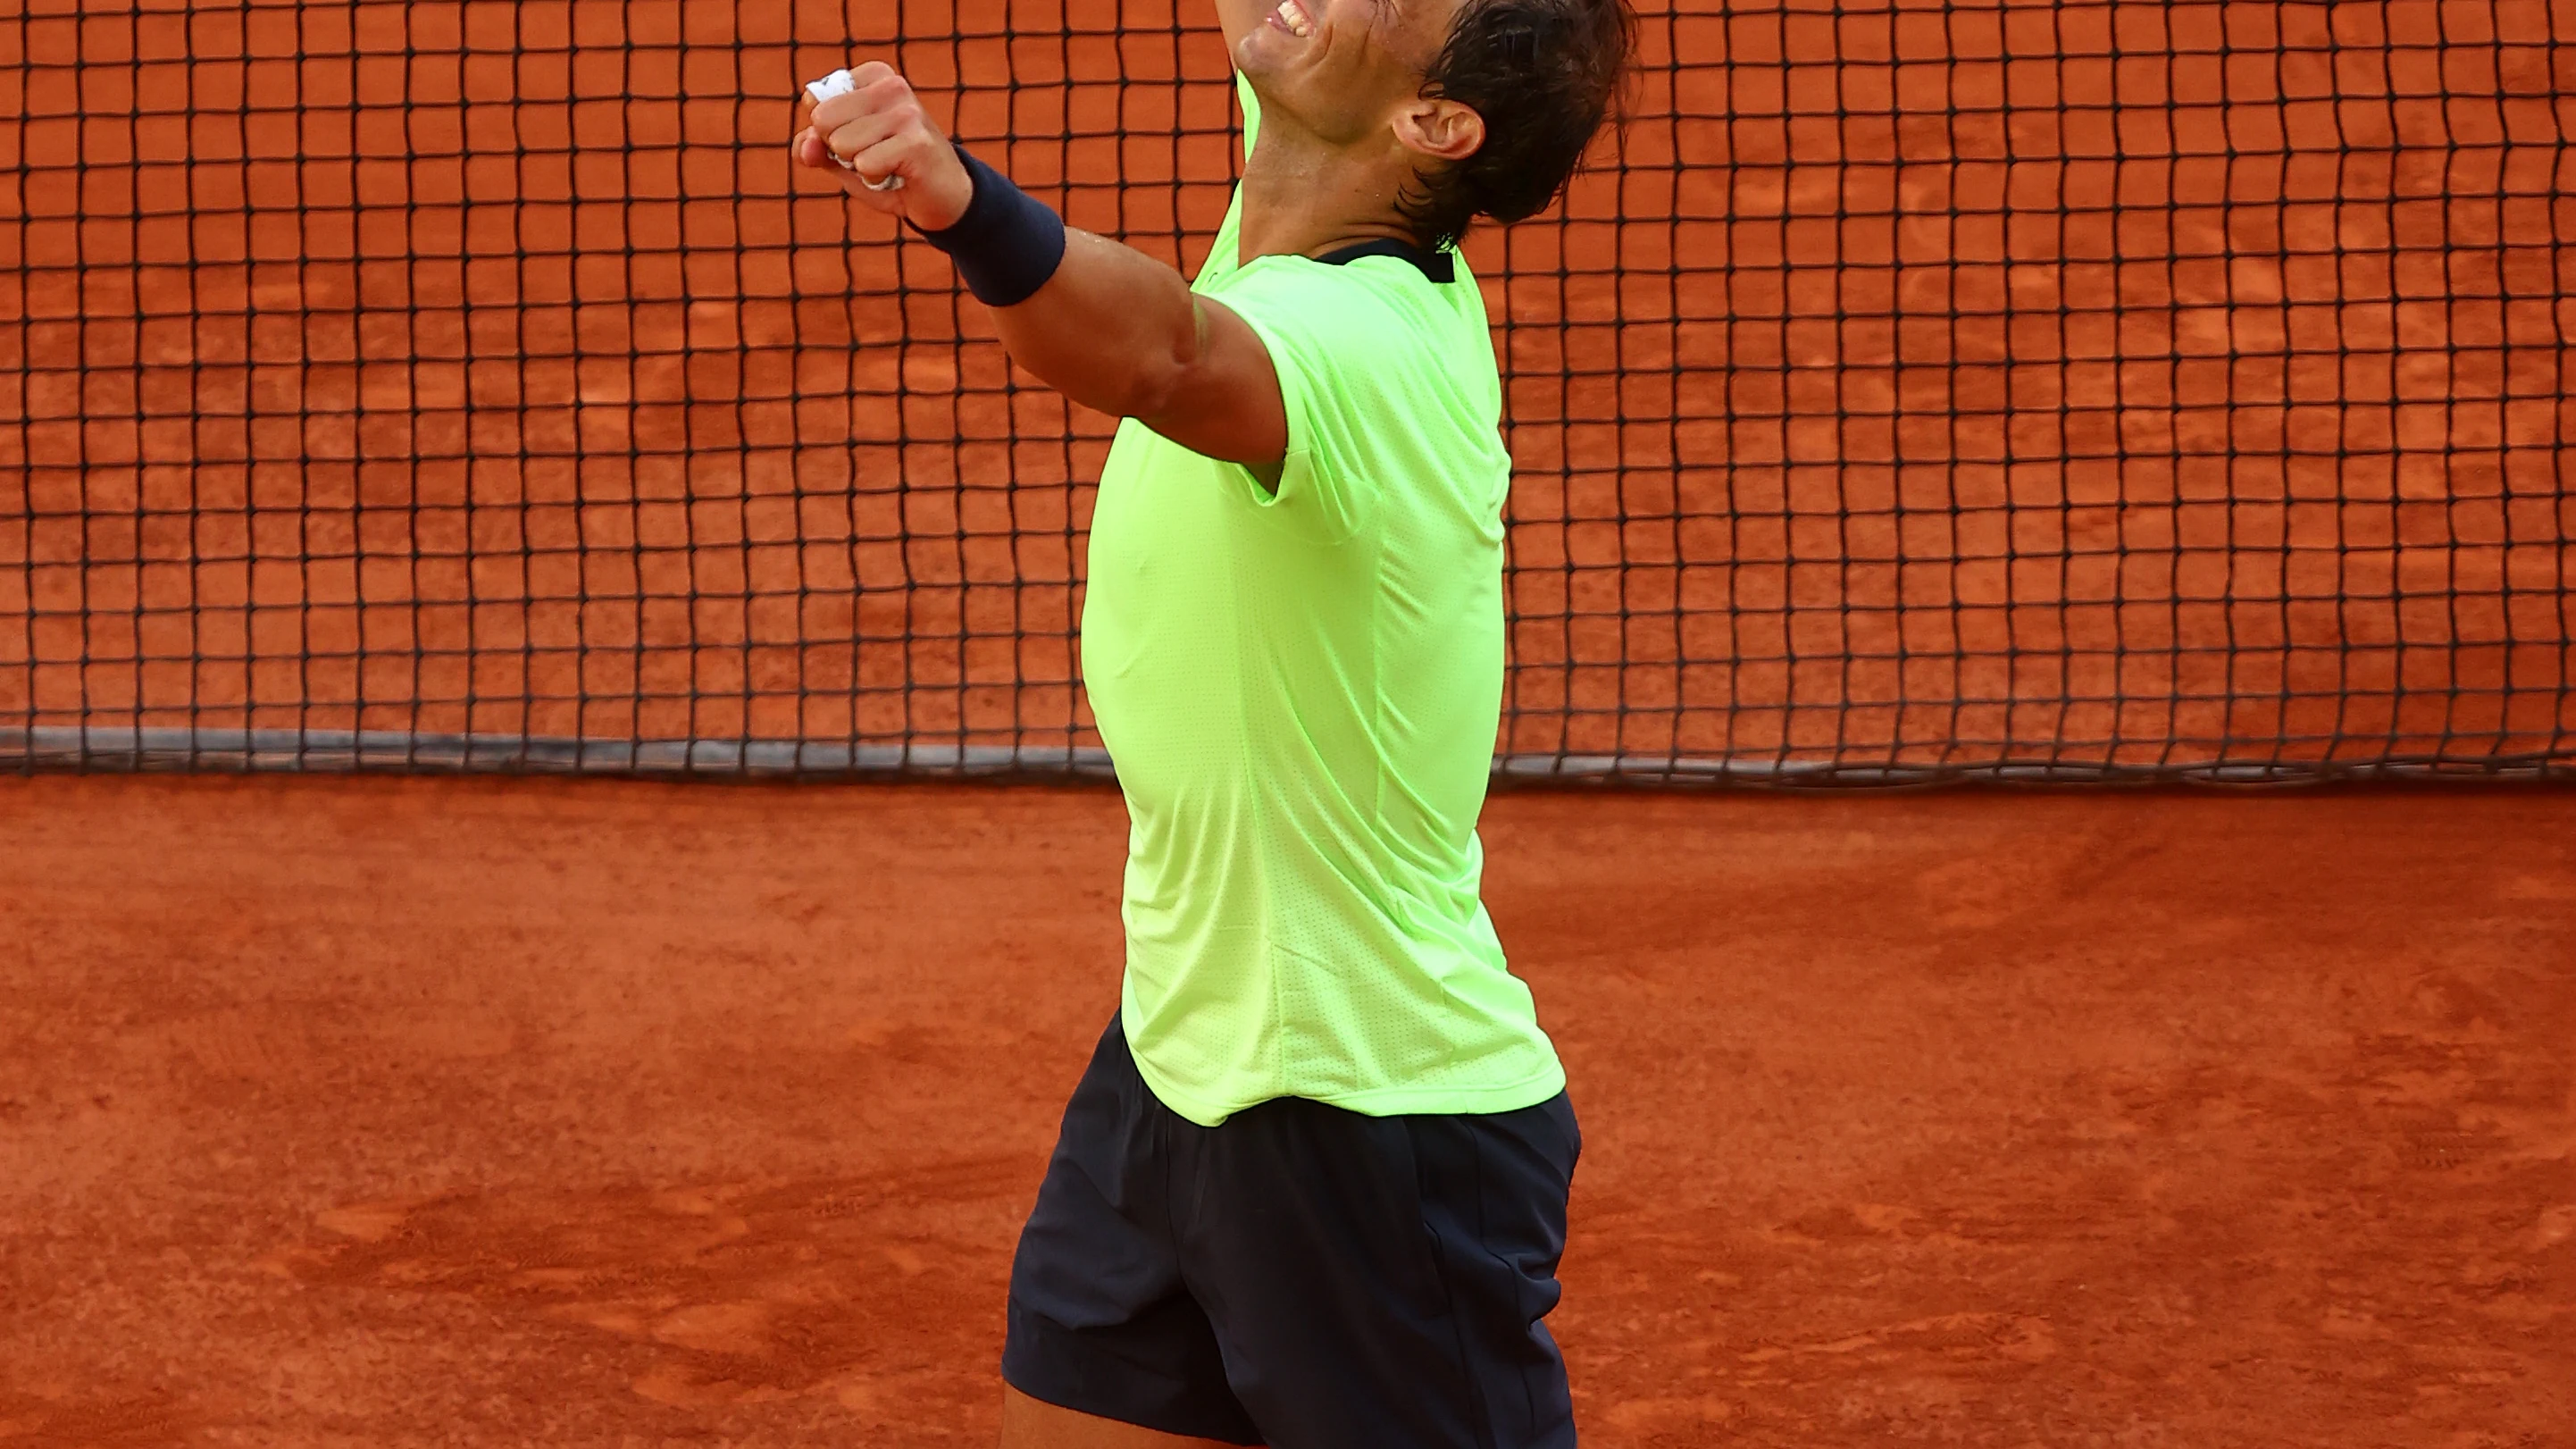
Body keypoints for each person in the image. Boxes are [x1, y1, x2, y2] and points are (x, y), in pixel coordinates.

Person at [791, 0, 1630, 1441]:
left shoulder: (1370, 351)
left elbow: (1168, 359)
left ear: (1432, 126)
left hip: (1373, 1114)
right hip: (1183, 1046)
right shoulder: (1324, 160)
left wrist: (951, 193)